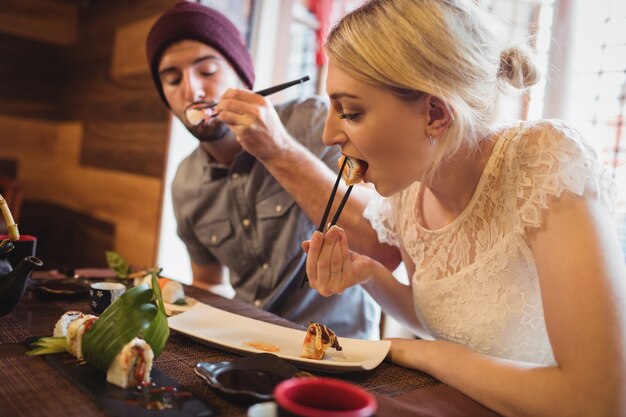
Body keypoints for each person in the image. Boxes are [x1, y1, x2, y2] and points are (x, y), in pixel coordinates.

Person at [303, 0, 626, 415]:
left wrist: (418, 353)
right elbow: (450, 319)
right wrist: (369, 275)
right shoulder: (408, 193)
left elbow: (599, 401)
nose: (330, 134)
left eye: (351, 112)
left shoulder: (543, 163)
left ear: (435, 114)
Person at [145, 1, 400, 339]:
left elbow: (381, 245)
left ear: (241, 76)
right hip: (248, 345)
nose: (192, 91)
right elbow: (208, 282)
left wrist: (276, 149)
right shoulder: (186, 183)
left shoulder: (312, 123)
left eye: (207, 71)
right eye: (173, 79)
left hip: (338, 347)